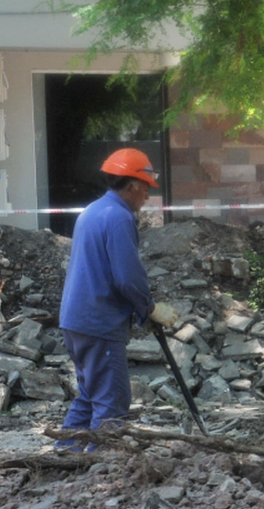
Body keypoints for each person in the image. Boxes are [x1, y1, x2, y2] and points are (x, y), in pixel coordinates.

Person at [58, 149, 177, 441]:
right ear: (133, 184)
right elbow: (126, 276)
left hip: (76, 320)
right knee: (111, 401)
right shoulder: (119, 218)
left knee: (88, 396)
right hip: (99, 322)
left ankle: (66, 458)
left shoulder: (94, 210)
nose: (148, 195)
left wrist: (140, 311)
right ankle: (104, 470)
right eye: (147, 187)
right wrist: (148, 308)